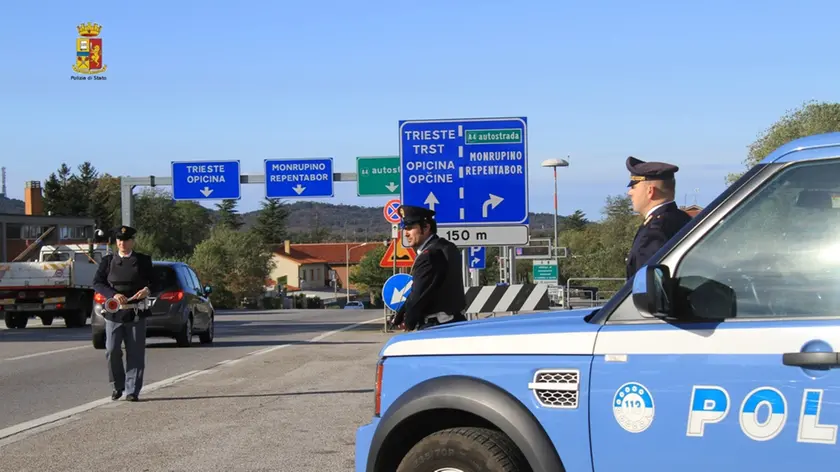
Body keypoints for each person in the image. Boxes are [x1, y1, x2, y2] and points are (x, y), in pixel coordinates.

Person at [93, 225, 156, 402]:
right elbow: (97, 283)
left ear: (132, 241)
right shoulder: (107, 261)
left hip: (136, 312)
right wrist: (113, 294)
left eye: (126, 240)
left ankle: (132, 390)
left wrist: (147, 290)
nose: (122, 243)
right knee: (112, 350)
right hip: (114, 312)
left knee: (135, 352)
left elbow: (155, 282)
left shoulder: (143, 260)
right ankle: (117, 386)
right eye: (119, 240)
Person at [389, 205, 467, 331]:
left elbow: (419, 294)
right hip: (455, 322)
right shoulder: (448, 247)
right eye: (404, 229)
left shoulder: (428, 256)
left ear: (426, 227)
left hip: (436, 326)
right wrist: (401, 314)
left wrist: (408, 322)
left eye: (410, 228)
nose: (406, 233)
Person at [625, 156, 693, 279]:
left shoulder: (654, 231)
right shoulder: (682, 218)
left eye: (633, 186)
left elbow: (649, 287)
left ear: (650, 191)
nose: (629, 192)